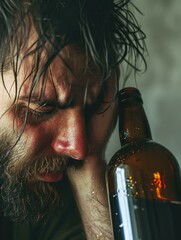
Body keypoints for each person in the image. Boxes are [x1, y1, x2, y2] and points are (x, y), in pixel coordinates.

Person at [0, 0, 146, 239]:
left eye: (89, 109)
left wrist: (91, 164)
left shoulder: (41, 192)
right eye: (43, 107)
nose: (78, 147)